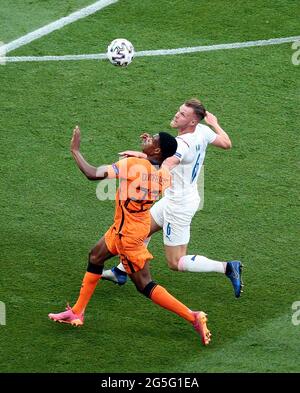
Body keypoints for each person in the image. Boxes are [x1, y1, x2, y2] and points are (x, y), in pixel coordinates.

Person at [48, 126, 211, 346]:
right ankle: (77, 312)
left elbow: (92, 173)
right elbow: (160, 164)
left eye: (153, 139)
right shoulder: (163, 177)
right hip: (130, 227)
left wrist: (75, 151)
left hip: (128, 236)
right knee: (96, 257)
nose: (148, 138)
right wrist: (145, 152)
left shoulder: (134, 165)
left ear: (156, 151)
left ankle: (193, 316)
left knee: (145, 285)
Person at [102, 98, 244, 298]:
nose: (177, 115)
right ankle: (120, 272)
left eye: (183, 114)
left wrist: (139, 157)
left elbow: (166, 165)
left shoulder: (181, 145)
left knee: (176, 262)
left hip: (178, 206)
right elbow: (226, 143)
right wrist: (214, 123)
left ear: (192, 122)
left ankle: (228, 267)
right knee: (140, 230)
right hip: (180, 197)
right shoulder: (203, 131)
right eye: (179, 111)